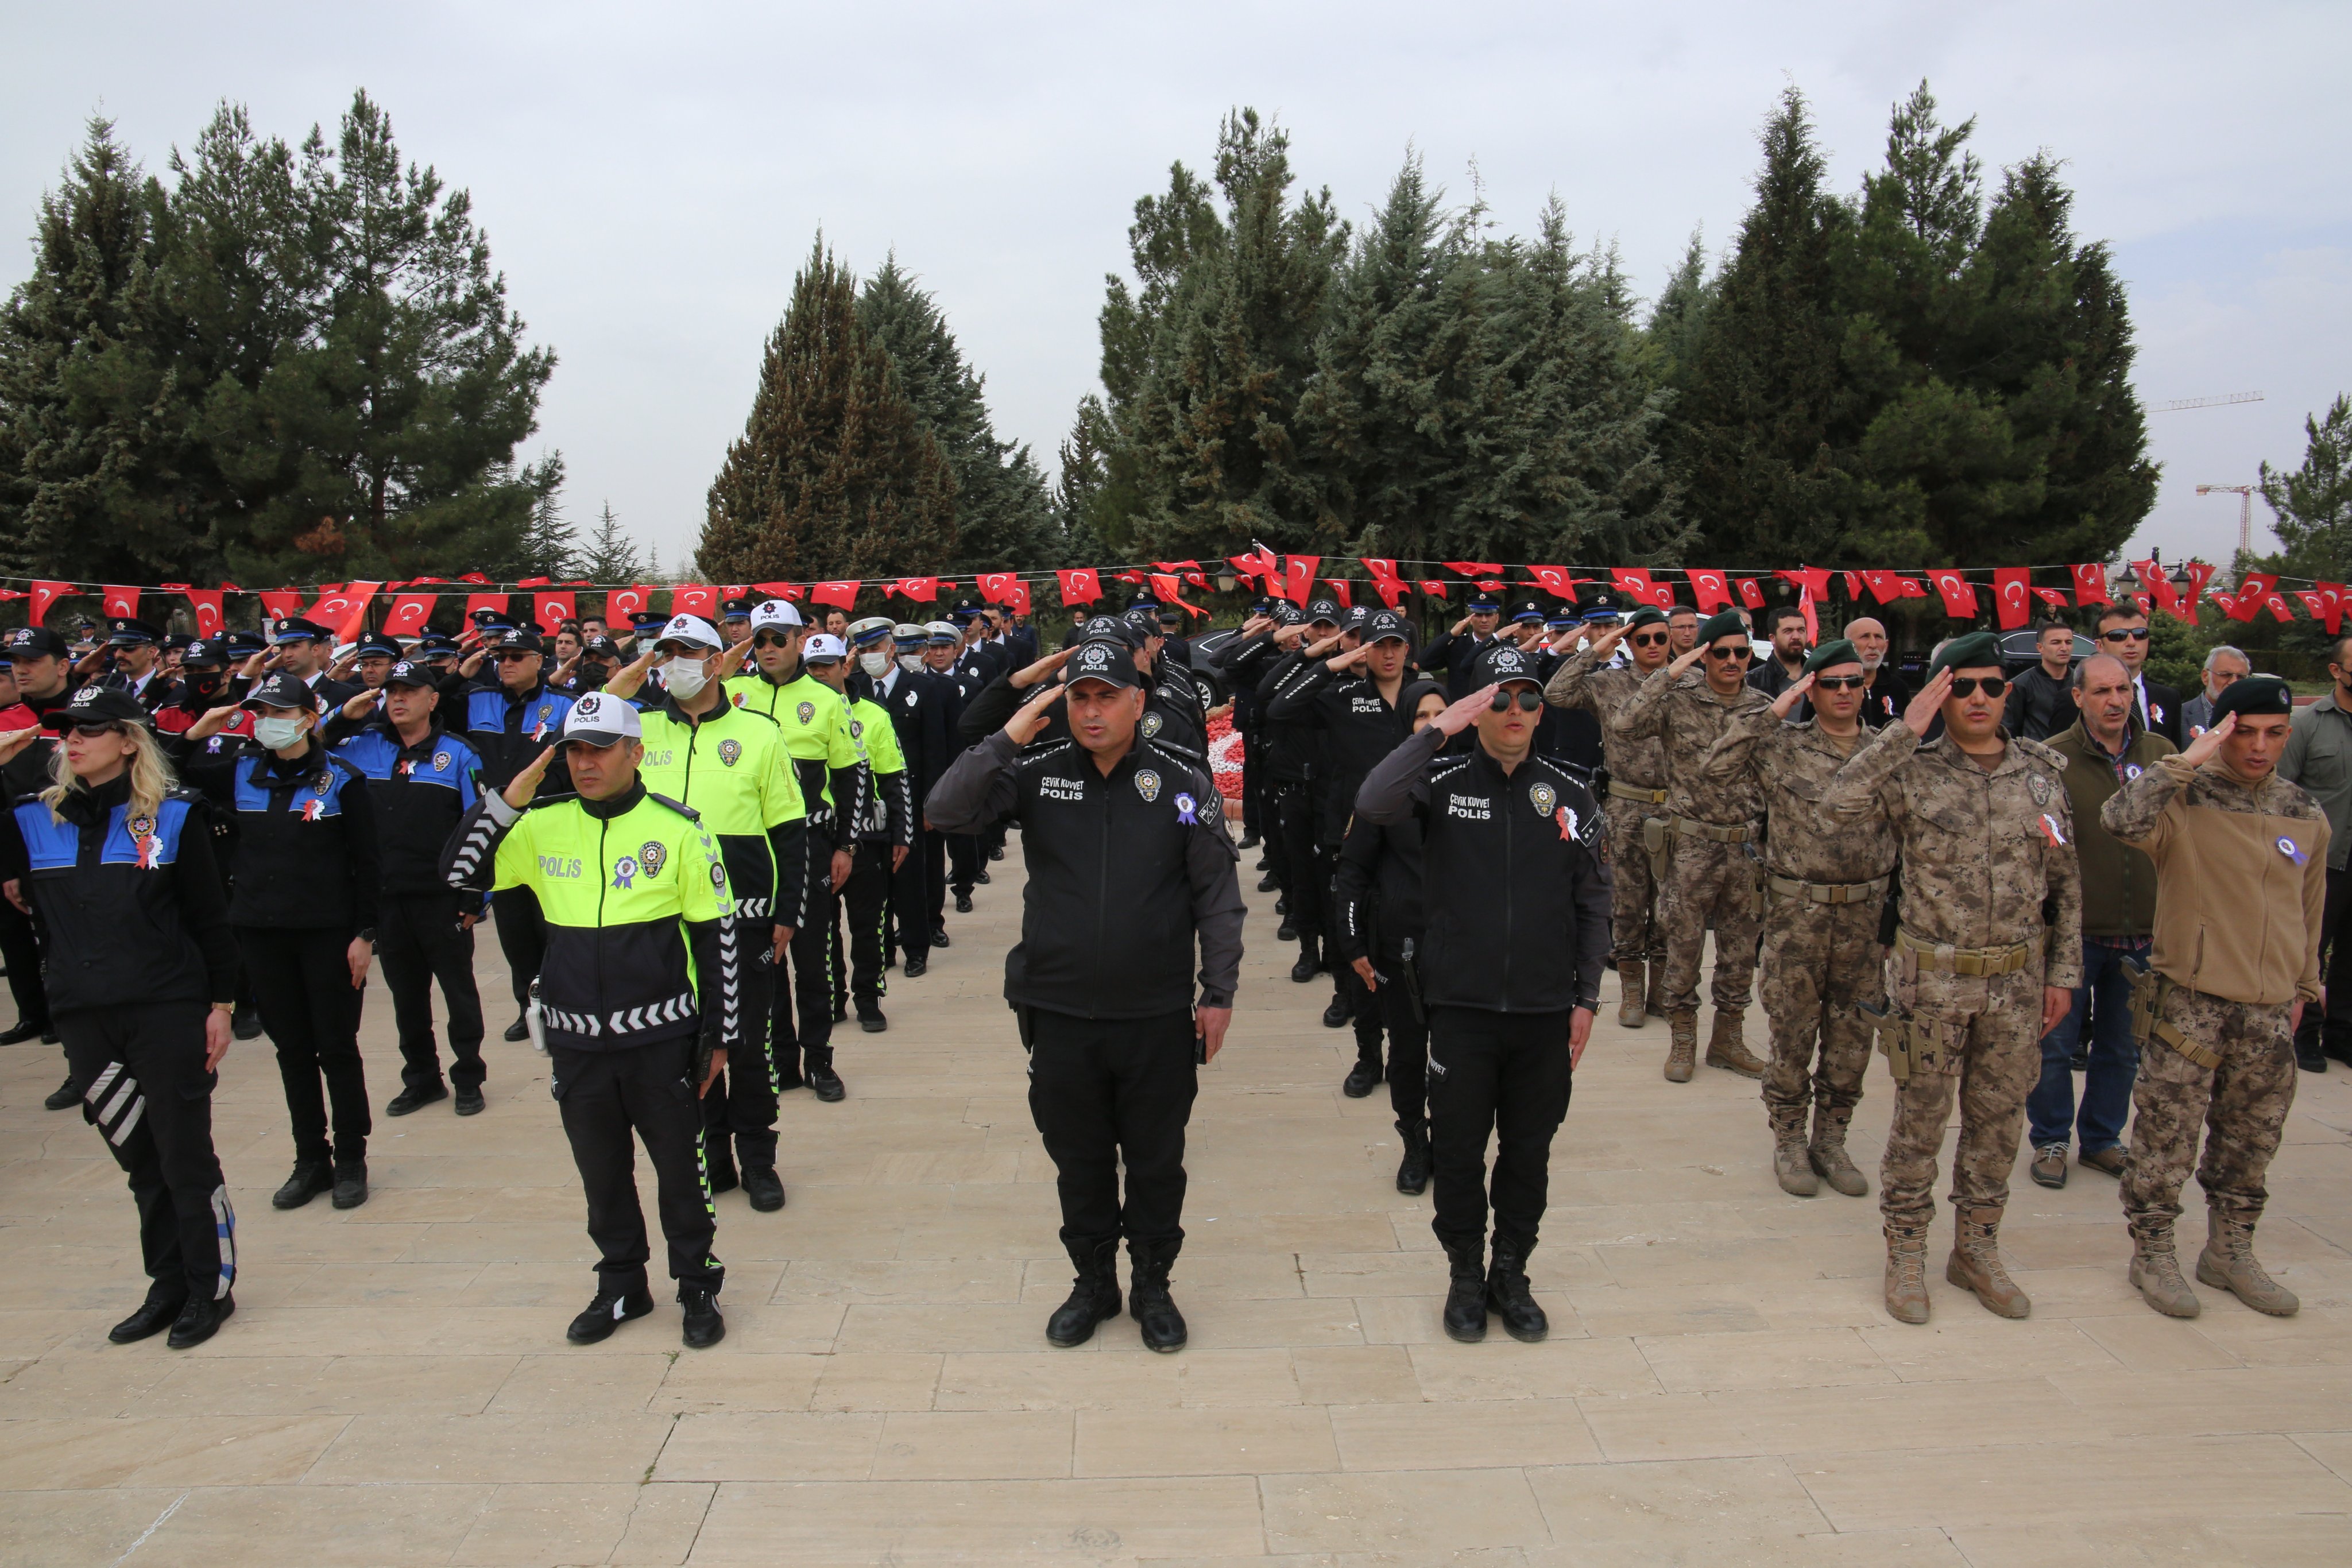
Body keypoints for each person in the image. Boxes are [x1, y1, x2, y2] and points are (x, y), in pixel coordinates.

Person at [925, 636, 1244, 1353]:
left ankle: (1153, 1284)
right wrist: (1009, 733)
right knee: (1080, 1157)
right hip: (1060, 1010)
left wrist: (1217, 990)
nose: (1093, 710)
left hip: (1155, 1013)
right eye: (1080, 696)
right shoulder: (1036, 771)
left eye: (1107, 695)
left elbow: (1216, 895)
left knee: (1158, 1160)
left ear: (1138, 700)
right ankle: (1093, 1281)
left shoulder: (1182, 781)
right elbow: (944, 811)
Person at [443, 692, 740, 1348]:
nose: (585, 763)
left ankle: (697, 1282)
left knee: (681, 1175)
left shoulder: (680, 829)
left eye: (600, 748)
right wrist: (512, 795)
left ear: (634, 753)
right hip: (578, 1043)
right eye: (574, 749)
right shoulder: (541, 824)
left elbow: (718, 941)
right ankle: (623, 1285)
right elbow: (459, 870)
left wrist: (719, 1036)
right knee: (602, 1174)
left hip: (661, 1040)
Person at [1824, 632, 2080, 1324]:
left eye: (1990, 686)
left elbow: (2063, 881)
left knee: (1999, 1125)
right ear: (1939, 694)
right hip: (1931, 983)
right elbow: (1837, 804)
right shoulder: (1911, 770)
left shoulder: (2039, 774)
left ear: (2007, 692)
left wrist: (2063, 972)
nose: (1976, 699)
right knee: (1919, 1125)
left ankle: (1976, 1249)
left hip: (2017, 984)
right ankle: (1905, 1251)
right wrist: (1901, 734)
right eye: (1959, 686)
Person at [1358, 648, 1609, 1344]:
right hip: (1462, 1012)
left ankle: (1511, 1271)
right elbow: (1372, 800)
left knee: (1529, 1154)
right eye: (1500, 699)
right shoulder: (1437, 781)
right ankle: (1465, 1273)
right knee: (1461, 1153)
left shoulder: (1568, 792)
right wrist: (1439, 730)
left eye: (1529, 700)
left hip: (1542, 1013)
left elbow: (1593, 901)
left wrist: (1586, 997)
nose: (1517, 713)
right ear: (1478, 708)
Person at [0, 687, 239, 1348]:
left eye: (91, 729)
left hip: (166, 1007)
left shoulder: (175, 817)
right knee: (137, 1155)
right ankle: (166, 1284)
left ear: (129, 740)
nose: (73, 740)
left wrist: (220, 1005)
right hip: (84, 1015)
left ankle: (208, 1286)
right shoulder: (29, 817)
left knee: (183, 1152)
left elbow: (210, 919)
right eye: (66, 731)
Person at [2103, 679, 2323, 1319]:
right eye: (2244, 731)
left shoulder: (2302, 810)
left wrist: (2302, 986)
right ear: (2221, 728)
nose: (2259, 747)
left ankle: (2229, 1250)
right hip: (2190, 1002)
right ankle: (2153, 1252)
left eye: (2274, 733)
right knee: (2166, 1137)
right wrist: (2189, 758)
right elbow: (2119, 818)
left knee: (2251, 1140)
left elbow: (2308, 911)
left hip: (2268, 1010)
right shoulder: (2182, 800)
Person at [608, 614, 804, 1209]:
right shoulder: (639, 731)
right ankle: (713, 1156)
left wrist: (787, 911)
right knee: (683, 1045)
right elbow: (582, 717)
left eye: (687, 653)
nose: (675, 664)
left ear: (717, 660)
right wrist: (632, 676)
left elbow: (790, 831)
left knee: (744, 1044)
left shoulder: (760, 733)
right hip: (663, 923)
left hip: (742, 919)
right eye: (664, 654)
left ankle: (759, 1160)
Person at [1699, 640, 1899, 1198]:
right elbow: (1714, 768)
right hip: (1796, 919)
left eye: (1851, 682)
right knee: (1791, 1035)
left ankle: (1830, 1140)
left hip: (1863, 923)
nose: (1841, 692)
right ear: (1810, 688)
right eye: (1828, 683)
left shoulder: (1887, 753)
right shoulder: (1781, 747)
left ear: (1866, 688)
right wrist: (1773, 711)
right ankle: (1789, 1139)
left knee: (1851, 1039)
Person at [205, 670, 384, 1212]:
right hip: (262, 932)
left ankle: (351, 1156)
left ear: (309, 718)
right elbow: (171, 770)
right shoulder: (239, 774)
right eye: (261, 713)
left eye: (280, 713)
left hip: (328, 934)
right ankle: (311, 1157)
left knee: (335, 1046)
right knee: (291, 1051)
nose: (268, 723)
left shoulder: (343, 780)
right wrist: (207, 726)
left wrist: (364, 933)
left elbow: (369, 864)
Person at [2028, 655, 2173, 1188]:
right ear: (2079, 697)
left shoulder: (2162, 755)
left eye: (2124, 690)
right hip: (2074, 935)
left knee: (2122, 1045)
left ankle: (2103, 1139)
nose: (2115, 701)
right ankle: (2051, 1139)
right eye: (2103, 691)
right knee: (2055, 1043)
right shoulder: (2051, 760)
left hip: (2143, 935)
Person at [325, 660, 494, 1117]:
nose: (397, 698)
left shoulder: (459, 753)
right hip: (387, 897)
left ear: (432, 698)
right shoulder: (363, 746)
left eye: (409, 690)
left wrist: (475, 896)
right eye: (391, 690)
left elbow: (481, 826)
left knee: (458, 992)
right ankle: (422, 1077)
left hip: (441, 899)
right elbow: (309, 748)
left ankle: (468, 1076)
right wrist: (343, 715)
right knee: (406, 996)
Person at [1612, 610, 1773, 1081]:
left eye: (1740, 653)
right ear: (1703, 654)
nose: (1730, 660)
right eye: (1719, 652)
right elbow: (1624, 724)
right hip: (1691, 846)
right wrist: (1669, 675)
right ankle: (1683, 1038)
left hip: (1745, 848)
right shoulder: (1678, 699)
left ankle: (1729, 1038)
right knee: (1681, 948)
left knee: (1740, 952)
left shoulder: (1764, 707)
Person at [722, 604, 866, 1101]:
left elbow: (851, 777)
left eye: (777, 638)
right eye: (758, 639)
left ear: (799, 641)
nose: (767, 648)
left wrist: (847, 844)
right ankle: (781, 1060)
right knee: (764, 958)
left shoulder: (826, 700)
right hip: (753, 846)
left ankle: (820, 1059)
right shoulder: (735, 695)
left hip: (809, 841)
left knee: (812, 956)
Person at [1266, 607, 1418, 1048]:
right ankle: (1361, 1036)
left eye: (1395, 644)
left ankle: (1404, 1028)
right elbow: (1278, 708)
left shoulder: (1424, 696)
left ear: (1407, 649)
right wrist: (1328, 663)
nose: (1387, 654)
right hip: (1351, 832)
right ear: (1362, 649)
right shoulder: (1344, 696)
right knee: (1350, 928)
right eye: (1377, 645)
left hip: (1412, 835)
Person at [1330, 680, 1447, 1193]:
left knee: (1459, 1058)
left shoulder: (1472, 781)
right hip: (1402, 951)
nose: (1434, 724)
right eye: (1422, 716)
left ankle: (1450, 1140)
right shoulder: (1382, 789)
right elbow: (1353, 870)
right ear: (1406, 724)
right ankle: (1415, 1143)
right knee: (1406, 1052)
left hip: (1463, 951)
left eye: (1443, 714)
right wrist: (1353, 944)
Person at [1544, 607, 1675, 1027]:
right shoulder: (1609, 682)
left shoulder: (1689, 681)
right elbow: (1556, 693)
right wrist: (1595, 650)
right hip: (1626, 807)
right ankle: (1633, 993)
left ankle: (1661, 992)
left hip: (1679, 808)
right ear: (1630, 643)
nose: (1653, 646)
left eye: (1660, 637)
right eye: (1643, 639)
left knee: (1673, 909)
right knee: (1629, 905)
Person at [459, 626, 577, 1043]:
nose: (505, 663)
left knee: (553, 925)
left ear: (538, 660)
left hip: (549, 831)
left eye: (515, 656)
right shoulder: (477, 699)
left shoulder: (563, 704)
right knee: (514, 931)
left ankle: (561, 1003)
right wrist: (457, 675)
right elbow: (426, 708)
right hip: (501, 835)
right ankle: (528, 1008)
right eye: (500, 657)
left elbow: (573, 763)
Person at [822, 620, 914, 1036]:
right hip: (819, 836)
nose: (820, 673)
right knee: (823, 929)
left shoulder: (873, 714)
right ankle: (831, 997)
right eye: (812, 667)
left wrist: (902, 833)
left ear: (846, 665)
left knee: (868, 923)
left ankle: (868, 996)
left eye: (828, 665)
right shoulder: (793, 717)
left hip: (868, 836)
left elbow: (895, 777)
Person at [858, 622, 957, 978]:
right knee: (874, 880)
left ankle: (917, 947)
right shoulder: (854, 689)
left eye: (874, 648)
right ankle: (884, 948)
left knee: (911, 877)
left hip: (909, 798)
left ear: (889, 648)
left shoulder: (923, 688)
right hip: (867, 800)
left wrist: (932, 802)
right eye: (862, 649)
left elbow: (935, 750)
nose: (868, 656)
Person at [2281, 633, 2352, 1074]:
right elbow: (2283, 791)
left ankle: (2341, 1033)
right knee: (2310, 949)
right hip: (2322, 862)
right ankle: (2304, 1033)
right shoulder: (2308, 723)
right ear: (2336, 670)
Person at [2092, 605, 2183, 747]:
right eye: (2118, 636)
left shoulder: (2169, 698)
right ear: (2100, 646)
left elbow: (2176, 755)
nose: (2131, 643)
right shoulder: (2079, 699)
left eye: (2140, 634)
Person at [1417, 591, 1506, 703]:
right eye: (1478, 615)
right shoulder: (1456, 645)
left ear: (1497, 618)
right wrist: (1450, 635)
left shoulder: (1506, 647)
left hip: (1497, 709)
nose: (1484, 620)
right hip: (1461, 712)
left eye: (1489, 615)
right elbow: (1425, 663)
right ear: (1470, 619)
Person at [2002, 620, 2080, 742]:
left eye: (2068, 642)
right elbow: (2009, 729)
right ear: (2040, 648)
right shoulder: (2021, 684)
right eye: (2056, 643)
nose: (2064, 648)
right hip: (2035, 754)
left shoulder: (2081, 682)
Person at [1843, 617, 1910, 730]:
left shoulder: (1899, 688)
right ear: (1847, 645)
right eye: (1865, 637)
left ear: (1886, 645)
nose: (1873, 645)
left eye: (1878, 637)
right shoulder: (1834, 686)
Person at [2181, 645, 2250, 737]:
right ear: (2205, 677)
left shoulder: (2254, 717)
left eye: (2241, 677)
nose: (2234, 682)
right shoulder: (2179, 715)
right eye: (2226, 675)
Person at [1746, 606, 1809, 698]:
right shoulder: (1753, 680)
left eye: (1801, 630)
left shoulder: (1818, 675)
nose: (1796, 636)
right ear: (1773, 638)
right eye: (1788, 631)